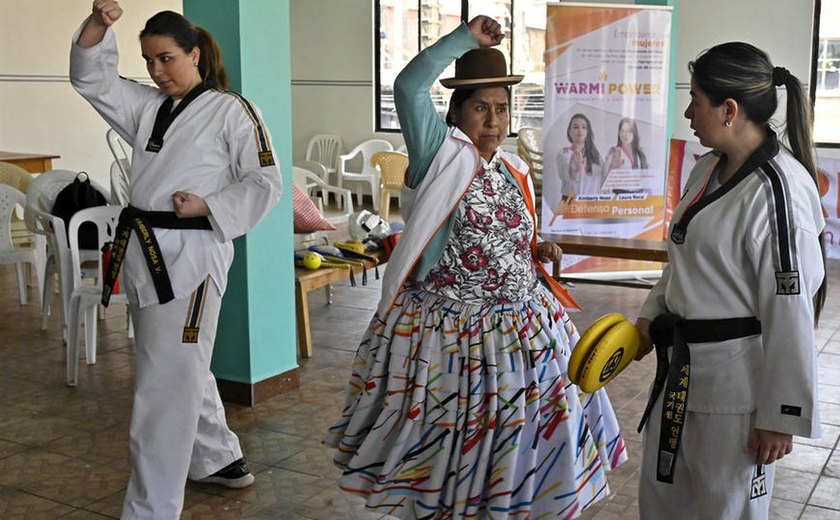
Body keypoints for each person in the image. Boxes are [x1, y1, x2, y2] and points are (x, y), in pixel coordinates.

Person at [325, 15, 627, 518]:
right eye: (481, 108)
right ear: (456, 112)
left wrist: (539, 249)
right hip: (453, 336)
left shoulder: (512, 169)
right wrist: (466, 38)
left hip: (523, 328)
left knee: (521, 431)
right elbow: (408, 84)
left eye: (502, 109)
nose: (493, 120)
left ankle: (510, 503)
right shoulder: (437, 156)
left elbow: (512, 235)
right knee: (453, 434)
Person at [70, 2, 282, 518]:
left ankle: (151, 508)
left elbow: (267, 182)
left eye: (166, 58)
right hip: (146, 254)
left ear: (195, 54)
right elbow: (93, 82)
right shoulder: (148, 108)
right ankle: (217, 457)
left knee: (164, 384)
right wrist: (99, 25)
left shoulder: (233, 110)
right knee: (174, 363)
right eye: (148, 61)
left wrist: (210, 205)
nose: (157, 71)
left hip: (191, 259)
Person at [634, 42, 826, 519]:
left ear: (729, 109)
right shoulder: (706, 169)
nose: (688, 111)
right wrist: (647, 318)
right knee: (664, 503)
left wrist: (779, 416)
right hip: (681, 373)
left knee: (726, 510)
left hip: (736, 394)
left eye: (695, 99)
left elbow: (791, 306)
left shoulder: (778, 192)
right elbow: (684, 262)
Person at [556, 113, 605, 199]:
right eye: (575, 127)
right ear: (569, 132)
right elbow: (566, 176)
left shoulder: (596, 156)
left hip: (593, 203)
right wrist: (574, 171)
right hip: (571, 202)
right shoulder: (564, 154)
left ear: (587, 132)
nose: (580, 130)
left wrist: (611, 167)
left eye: (584, 127)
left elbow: (603, 179)